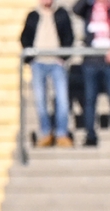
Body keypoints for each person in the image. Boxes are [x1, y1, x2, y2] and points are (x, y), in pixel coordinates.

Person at [25, 0, 76, 146]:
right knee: (40, 100)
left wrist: (63, 57)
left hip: (56, 62)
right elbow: (25, 38)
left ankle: (61, 133)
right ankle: (46, 132)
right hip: (38, 63)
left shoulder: (61, 14)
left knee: (62, 99)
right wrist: (31, 59)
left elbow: (69, 36)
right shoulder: (33, 15)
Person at [78, 0, 110, 145]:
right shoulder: (88, 7)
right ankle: (90, 135)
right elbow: (76, 9)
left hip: (108, 62)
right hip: (91, 61)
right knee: (90, 99)